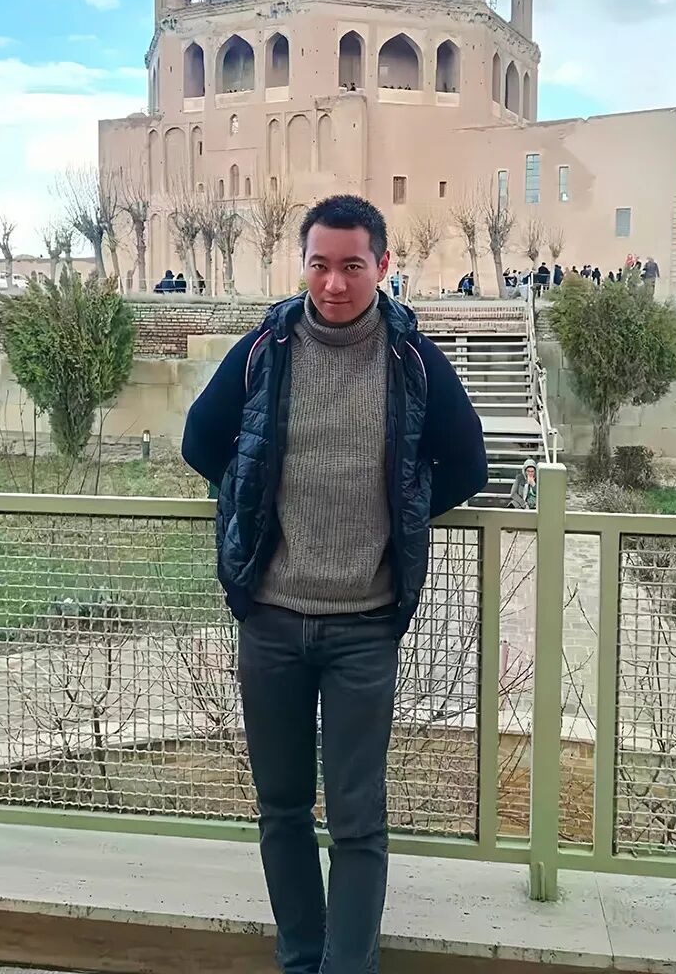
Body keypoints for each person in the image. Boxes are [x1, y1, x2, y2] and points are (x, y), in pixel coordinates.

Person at [182, 194, 487, 974]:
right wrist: (254, 499)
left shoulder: (412, 358)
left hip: (363, 627)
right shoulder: (266, 348)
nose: (334, 283)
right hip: (271, 621)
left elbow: (468, 464)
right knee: (282, 809)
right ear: (304, 265)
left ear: (383, 265)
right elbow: (201, 440)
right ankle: (301, 960)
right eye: (319, 264)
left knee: (357, 821)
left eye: (352, 265)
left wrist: (397, 512)